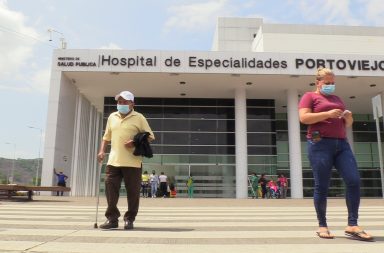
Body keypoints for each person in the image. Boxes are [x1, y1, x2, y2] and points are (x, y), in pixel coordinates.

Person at [299, 67, 373, 241]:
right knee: (322, 185)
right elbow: (304, 118)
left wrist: (348, 118)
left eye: (333, 83)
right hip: (319, 143)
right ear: (318, 83)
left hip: (341, 144)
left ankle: (352, 225)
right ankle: (322, 225)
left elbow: (347, 124)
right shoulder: (309, 96)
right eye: (327, 83)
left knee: (353, 180)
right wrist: (327, 113)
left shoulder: (337, 98)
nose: (331, 86)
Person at [97, 90, 155, 230]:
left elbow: (150, 136)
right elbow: (106, 136)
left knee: (133, 193)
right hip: (113, 161)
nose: (121, 104)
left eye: (124, 102)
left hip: (133, 162)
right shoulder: (112, 116)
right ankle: (112, 219)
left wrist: (134, 143)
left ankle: (129, 219)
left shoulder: (139, 117)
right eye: (119, 102)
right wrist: (101, 151)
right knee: (110, 190)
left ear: (132, 104)